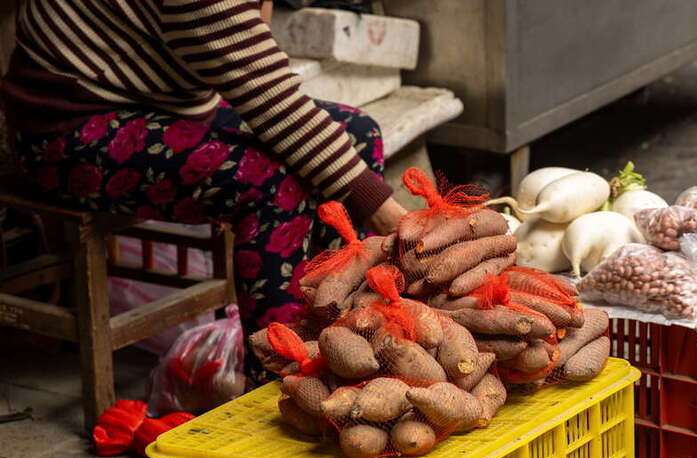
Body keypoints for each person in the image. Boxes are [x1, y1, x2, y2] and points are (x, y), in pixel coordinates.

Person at [0, 0, 408, 381]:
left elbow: (250, 50)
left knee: (357, 133)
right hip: (66, 127)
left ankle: (344, 337)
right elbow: (267, 95)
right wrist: (388, 214)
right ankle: (280, 381)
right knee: (269, 183)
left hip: (157, 100)